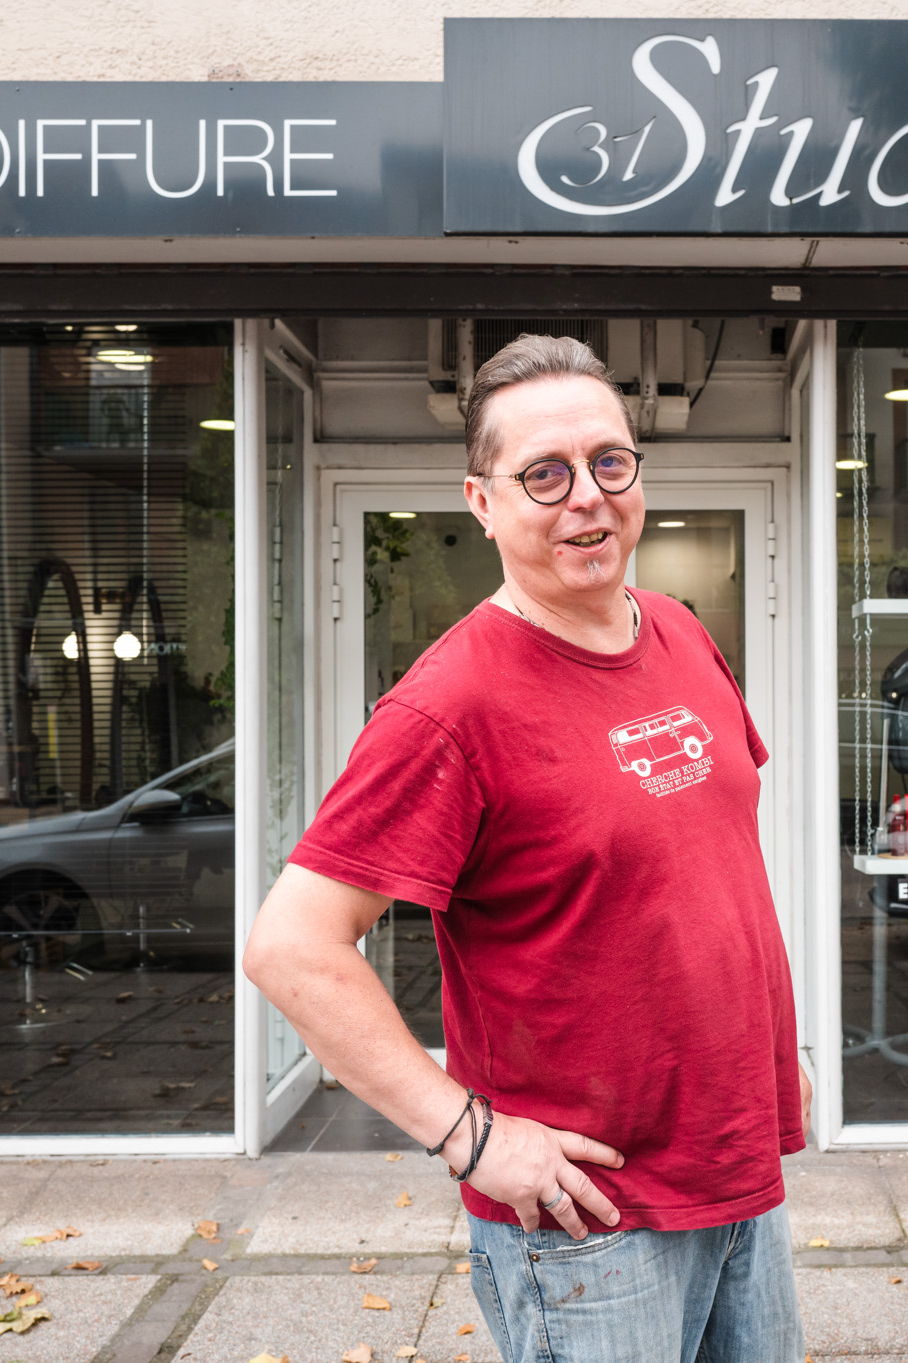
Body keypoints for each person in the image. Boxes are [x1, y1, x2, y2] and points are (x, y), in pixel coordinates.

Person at [242, 334, 808, 1363]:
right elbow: (293, 946)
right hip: (590, 1221)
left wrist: (780, 1050)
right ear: (482, 500)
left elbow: (714, 870)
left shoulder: (680, 632)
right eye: (544, 474)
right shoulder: (449, 705)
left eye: (609, 462)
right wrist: (469, 1137)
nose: (587, 497)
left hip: (739, 1173)